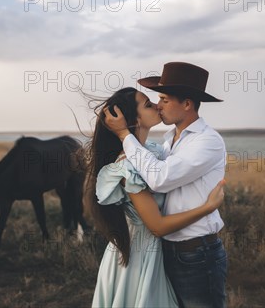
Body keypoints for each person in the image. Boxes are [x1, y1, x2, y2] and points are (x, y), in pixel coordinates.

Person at [86, 86, 225, 308]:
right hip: (139, 257)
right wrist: (207, 208)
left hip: (164, 254)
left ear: (187, 104)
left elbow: (160, 175)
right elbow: (157, 225)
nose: (157, 105)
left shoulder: (154, 152)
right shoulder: (129, 164)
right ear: (134, 119)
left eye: (162, 100)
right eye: (150, 104)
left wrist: (124, 134)